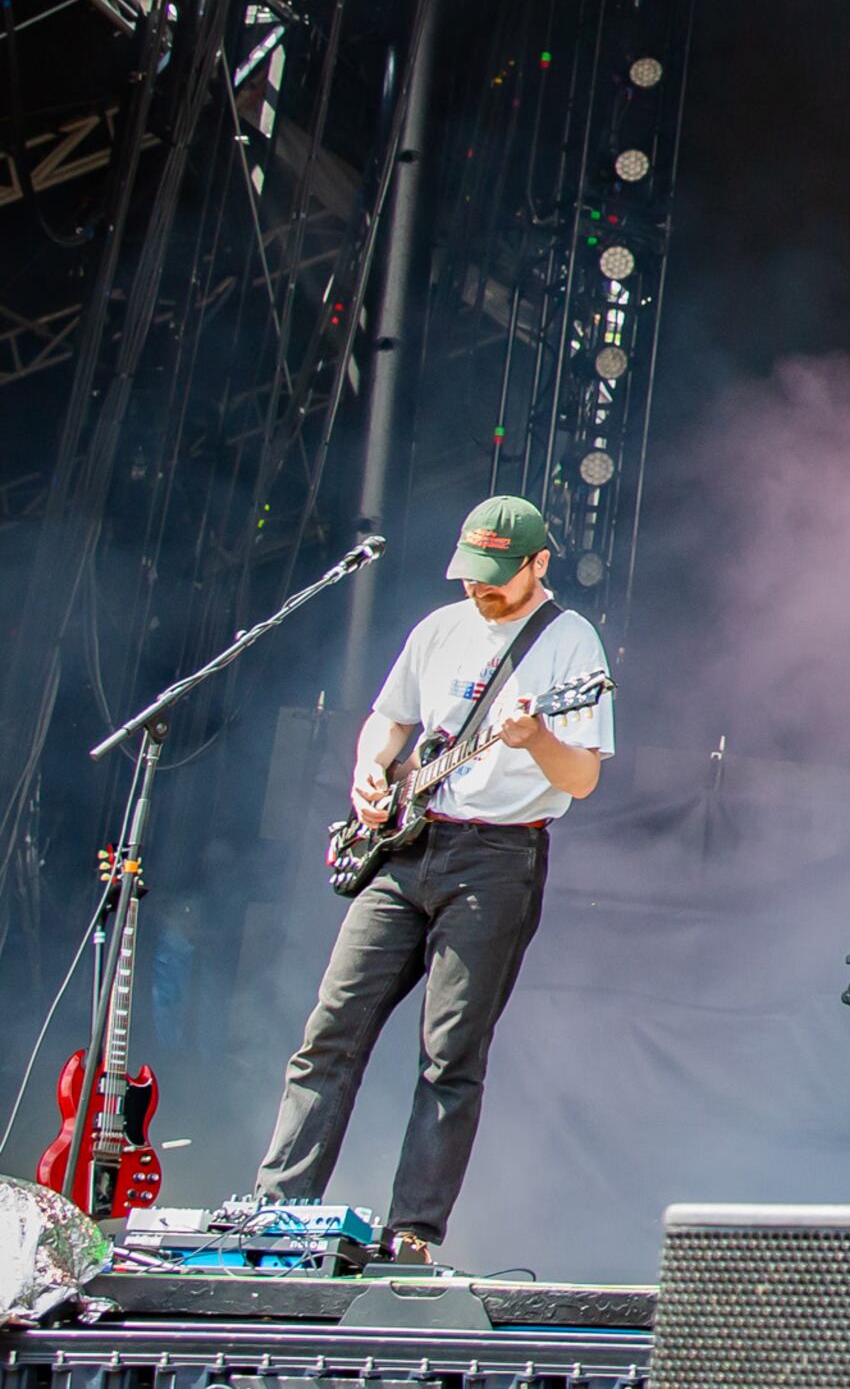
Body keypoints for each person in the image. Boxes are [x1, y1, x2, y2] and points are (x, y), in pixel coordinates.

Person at [256, 497, 614, 1265]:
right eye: (471, 576)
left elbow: (581, 776)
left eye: (494, 578)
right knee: (331, 1029)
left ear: (537, 563)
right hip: (406, 850)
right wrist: (368, 771)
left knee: (448, 1053)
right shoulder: (438, 628)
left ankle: (413, 1232)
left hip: (497, 859)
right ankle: (277, 1211)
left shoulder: (571, 642)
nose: (479, 591)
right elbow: (388, 723)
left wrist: (537, 734)